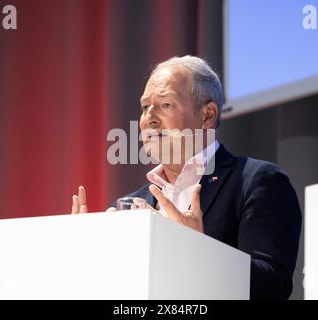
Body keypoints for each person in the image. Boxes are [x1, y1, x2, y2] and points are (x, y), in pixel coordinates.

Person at [71, 55, 302, 300]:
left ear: (207, 115)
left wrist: (196, 248)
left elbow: (272, 287)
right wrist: (86, 258)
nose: (149, 118)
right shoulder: (128, 207)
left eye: (165, 105)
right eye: (144, 107)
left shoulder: (257, 181)